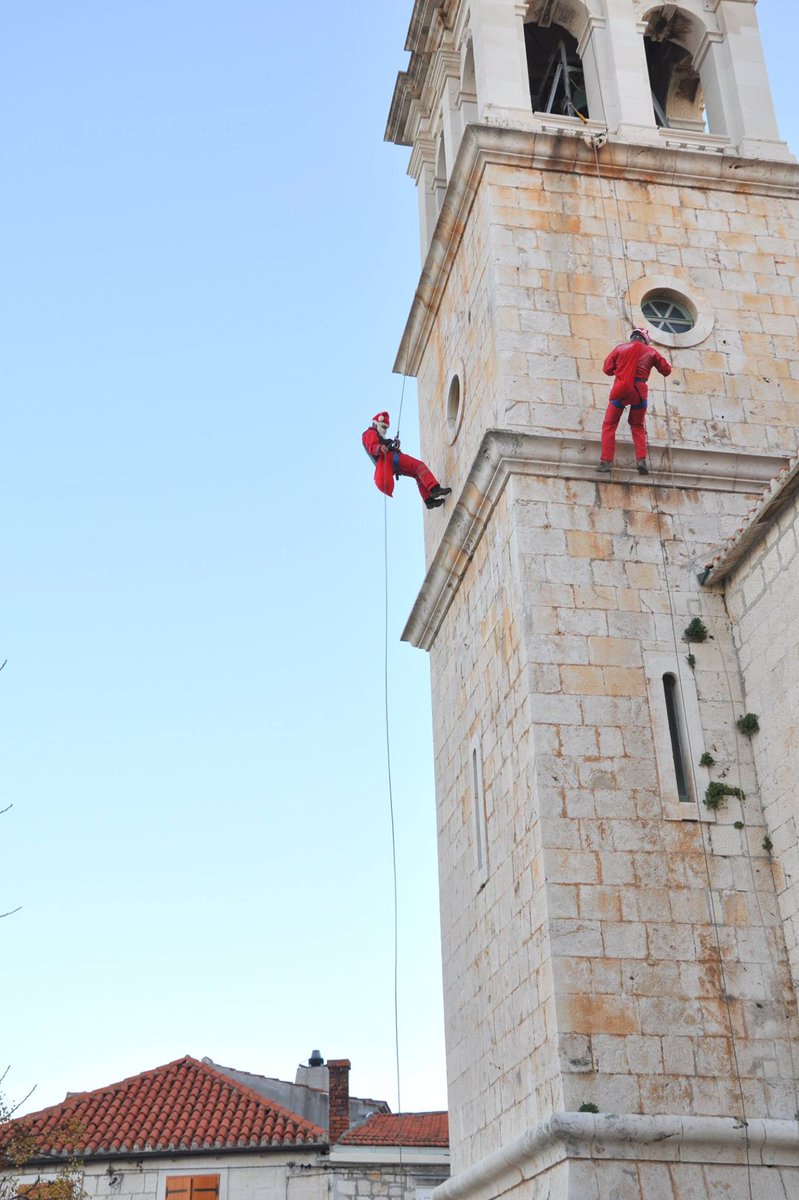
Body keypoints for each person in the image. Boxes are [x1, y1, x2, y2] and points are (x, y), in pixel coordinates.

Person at [599, 327, 671, 474]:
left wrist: (621, 369)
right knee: (637, 426)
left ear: (632, 337)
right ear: (645, 340)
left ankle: (606, 462)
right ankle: (641, 461)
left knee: (609, 425)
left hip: (621, 389)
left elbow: (607, 369)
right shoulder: (651, 352)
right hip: (639, 391)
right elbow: (666, 370)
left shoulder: (620, 348)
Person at [362, 412, 452, 509]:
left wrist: (394, 444)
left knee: (416, 474)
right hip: (390, 459)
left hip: (391, 463)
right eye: (383, 427)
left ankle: (428, 500)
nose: (385, 431)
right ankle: (434, 488)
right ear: (376, 424)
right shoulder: (370, 432)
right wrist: (380, 448)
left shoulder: (376, 435)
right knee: (418, 466)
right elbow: (372, 446)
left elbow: (380, 445)